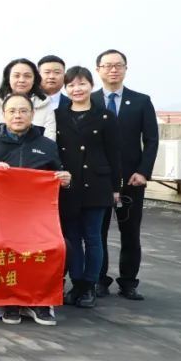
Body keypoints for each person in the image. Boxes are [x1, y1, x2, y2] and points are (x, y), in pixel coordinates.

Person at [0, 93, 72, 326]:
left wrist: (66, 180)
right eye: (12, 111)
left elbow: (58, 175)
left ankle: (40, 302)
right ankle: (11, 300)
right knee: (3, 248)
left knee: (61, 247)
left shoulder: (46, 145)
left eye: (23, 111)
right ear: (3, 114)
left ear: (32, 114)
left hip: (36, 218)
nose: (17, 115)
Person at [93, 48, 158, 301]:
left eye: (118, 65)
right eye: (107, 65)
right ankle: (99, 280)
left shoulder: (141, 101)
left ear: (125, 69)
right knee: (97, 233)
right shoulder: (90, 100)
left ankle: (129, 282)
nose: (113, 70)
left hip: (132, 179)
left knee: (130, 233)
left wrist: (143, 172)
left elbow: (151, 140)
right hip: (99, 180)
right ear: (98, 69)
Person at [56, 66, 121, 309]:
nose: (77, 89)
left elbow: (114, 154)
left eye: (82, 84)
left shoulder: (105, 116)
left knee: (93, 237)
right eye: (71, 85)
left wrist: (116, 188)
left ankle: (90, 285)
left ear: (91, 86)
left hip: (97, 185)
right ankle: (77, 283)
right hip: (69, 186)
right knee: (72, 237)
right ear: (66, 89)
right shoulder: (58, 116)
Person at [0, 58, 56, 141]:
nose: (22, 80)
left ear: (34, 79)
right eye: (16, 76)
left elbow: (49, 142)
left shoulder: (45, 106)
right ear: (8, 78)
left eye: (27, 76)